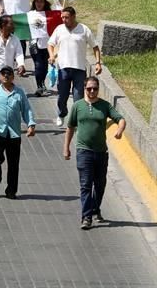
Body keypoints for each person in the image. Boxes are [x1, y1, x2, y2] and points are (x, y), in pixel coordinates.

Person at [63, 75, 126, 229]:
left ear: (98, 89)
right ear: (84, 89)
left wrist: (119, 130)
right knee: (85, 185)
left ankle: (95, 208)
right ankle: (86, 217)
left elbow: (121, 119)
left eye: (95, 88)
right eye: (89, 88)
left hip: (100, 153)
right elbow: (70, 127)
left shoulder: (104, 106)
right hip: (83, 151)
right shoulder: (77, 106)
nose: (92, 91)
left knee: (99, 185)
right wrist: (66, 148)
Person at [0, 66, 36, 199]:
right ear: (0, 76)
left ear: (13, 77)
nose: (6, 76)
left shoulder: (19, 93)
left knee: (13, 163)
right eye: (3, 74)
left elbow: (26, 110)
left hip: (14, 133)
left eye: (8, 74)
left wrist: (31, 125)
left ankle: (11, 190)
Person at [49, 6, 102, 127]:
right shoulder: (59, 29)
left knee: (78, 98)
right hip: (63, 69)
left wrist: (98, 62)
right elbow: (50, 44)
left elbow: (95, 47)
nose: (64, 20)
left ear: (74, 16)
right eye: (62, 17)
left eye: (66, 17)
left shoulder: (84, 29)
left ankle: (77, 121)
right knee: (62, 96)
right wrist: (52, 55)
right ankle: (62, 113)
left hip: (79, 70)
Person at [29, 0, 57, 97]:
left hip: (47, 45)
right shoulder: (30, 14)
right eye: (37, 1)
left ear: (45, 3)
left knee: (44, 67)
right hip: (34, 44)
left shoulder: (50, 15)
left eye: (41, 1)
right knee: (38, 65)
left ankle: (42, 82)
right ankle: (39, 86)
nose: (39, 4)